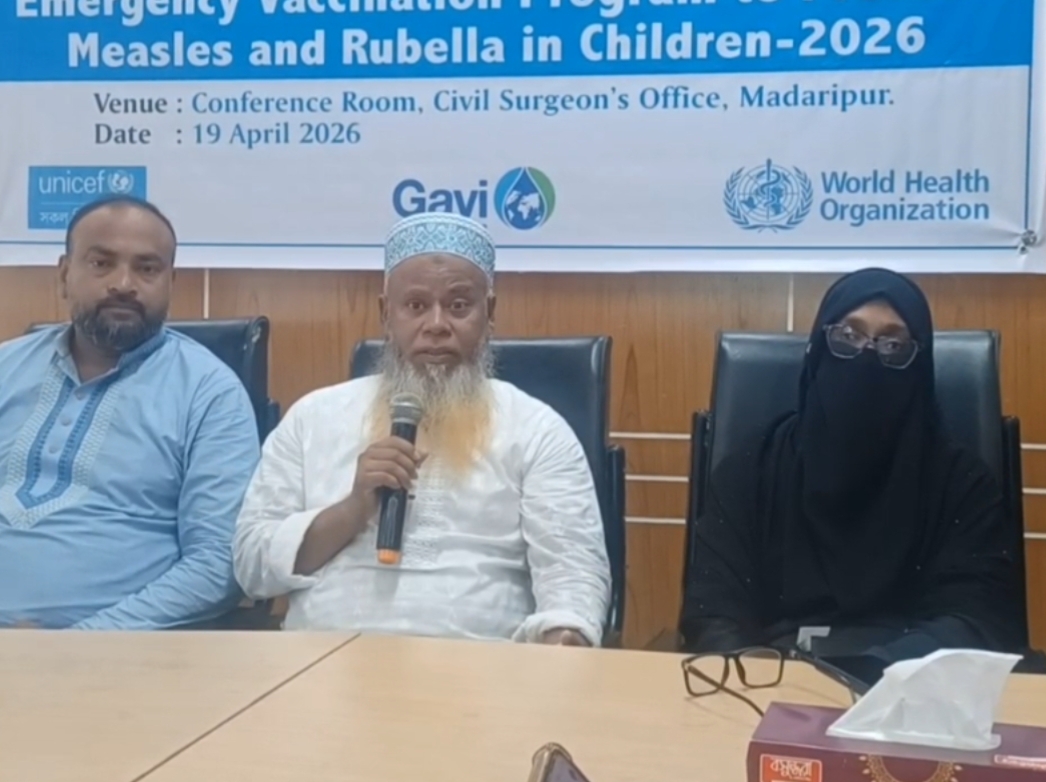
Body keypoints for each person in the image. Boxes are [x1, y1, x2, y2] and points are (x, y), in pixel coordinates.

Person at [234, 212, 611, 645]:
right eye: (415, 306)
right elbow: (251, 567)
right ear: (385, 314)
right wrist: (352, 510)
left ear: (489, 313)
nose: (436, 325)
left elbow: (572, 573)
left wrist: (565, 637)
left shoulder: (536, 429)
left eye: (458, 306)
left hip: (483, 670)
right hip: (325, 665)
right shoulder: (314, 417)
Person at [680, 268, 1022, 677]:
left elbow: (975, 619)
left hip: (910, 693)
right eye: (848, 335)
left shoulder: (961, 483)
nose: (867, 357)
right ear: (817, 349)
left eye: (893, 344)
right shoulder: (752, 469)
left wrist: (872, 674)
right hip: (770, 686)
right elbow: (713, 614)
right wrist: (763, 682)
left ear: (920, 365)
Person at [0, 196, 260, 629]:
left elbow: (218, 565)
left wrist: (79, 642)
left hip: (117, 652)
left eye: (147, 268)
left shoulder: (209, 393)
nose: (123, 284)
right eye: (101, 264)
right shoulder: (6, 367)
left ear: (171, 282)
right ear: (64, 275)